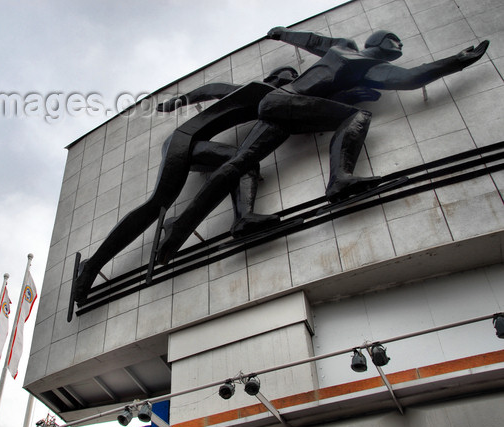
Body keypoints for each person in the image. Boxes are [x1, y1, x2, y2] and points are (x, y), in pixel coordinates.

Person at [155, 28, 489, 265]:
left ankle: (186, 226)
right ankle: (340, 179)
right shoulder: (351, 51)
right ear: (376, 41)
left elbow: (413, 76)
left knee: (241, 163)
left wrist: (456, 61)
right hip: (287, 100)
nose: (399, 45)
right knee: (356, 117)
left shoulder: (375, 70)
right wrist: (284, 33)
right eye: (393, 39)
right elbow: (313, 40)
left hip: (281, 107)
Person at [73, 67, 299, 305]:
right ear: (275, 77)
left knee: (237, 164)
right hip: (185, 142)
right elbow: (213, 89)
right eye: (290, 74)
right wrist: (179, 101)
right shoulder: (258, 89)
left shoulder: (269, 95)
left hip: (186, 144)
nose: (294, 79)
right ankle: (92, 265)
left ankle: (93, 264)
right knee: (241, 162)